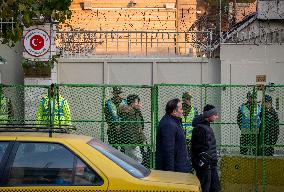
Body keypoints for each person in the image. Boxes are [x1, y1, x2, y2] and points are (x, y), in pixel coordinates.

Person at [155, 98, 190, 173]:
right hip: (176, 170)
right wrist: (170, 173)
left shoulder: (173, 122)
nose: (182, 111)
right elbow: (168, 151)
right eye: (181, 109)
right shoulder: (169, 125)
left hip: (179, 167)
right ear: (174, 111)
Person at [191, 104, 220, 192]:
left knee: (215, 187)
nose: (217, 117)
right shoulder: (201, 129)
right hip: (206, 166)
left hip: (210, 165)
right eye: (215, 115)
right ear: (209, 115)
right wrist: (205, 162)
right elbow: (198, 149)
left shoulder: (205, 127)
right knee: (205, 188)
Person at [118, 94, 145, 163]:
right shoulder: (128, 114)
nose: (139, 104)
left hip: (135, 140)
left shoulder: (135, 112)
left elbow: (140, 125)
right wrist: (133, 142)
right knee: (137, 159)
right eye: (137, 102)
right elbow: (129, 129)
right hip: (131, 141)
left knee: (131, 159)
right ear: (132, 103)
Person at [181, 92, 198, 164]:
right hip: (180, 137)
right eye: (187, 99)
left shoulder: (194, 110)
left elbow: (197, 123)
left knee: (191, 156)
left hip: (190, 138)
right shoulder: (179, 109)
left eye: (189, 99)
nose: (188, 100)